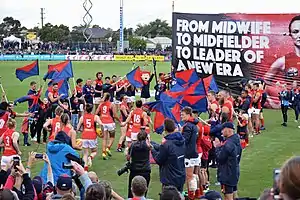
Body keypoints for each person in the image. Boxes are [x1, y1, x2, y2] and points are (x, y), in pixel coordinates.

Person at [151, 118, 186, 192]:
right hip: (181, 176)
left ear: (165, 129)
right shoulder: (182, 141)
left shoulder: (167, 144)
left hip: (169, 178)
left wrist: (152, 149)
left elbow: (158, 159)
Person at [214, 122, 242, 200]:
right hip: (234, 171)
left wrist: (217, 147)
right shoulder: (237, 140)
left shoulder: (228, 144)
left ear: (228, 130)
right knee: (234, 194)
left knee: (228, 196)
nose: (221, 132)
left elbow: (220, 158)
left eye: (223, 129)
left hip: (227, 174)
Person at [77, 103, 102, 170]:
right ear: (92, 109)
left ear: (85, 109)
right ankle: (90, 157)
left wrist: (82, 129)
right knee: (94, 151)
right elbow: (101, 124)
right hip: (92, 136)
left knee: (85, 153)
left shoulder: (82, 117)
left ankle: (85, 168)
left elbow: (77, 128)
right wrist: (99, 131)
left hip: (84, 135)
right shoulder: (95, 117)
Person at [127, 130, 151, 198]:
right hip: (145, 170)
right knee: (143, 193)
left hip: (134, 170)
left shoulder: (133, 145)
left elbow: (128, 158)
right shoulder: (147, 146)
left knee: (132, 192)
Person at [96, 93, 119, 160]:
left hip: (103, 122)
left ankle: (103, 153)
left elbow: (96, 113)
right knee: (112, 137)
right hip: (110, 122)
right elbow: (114, 115)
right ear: (109, 98)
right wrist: (120, 121)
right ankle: (108, 148)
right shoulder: (112, 104)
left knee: (104, 139)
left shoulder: (101, 104)